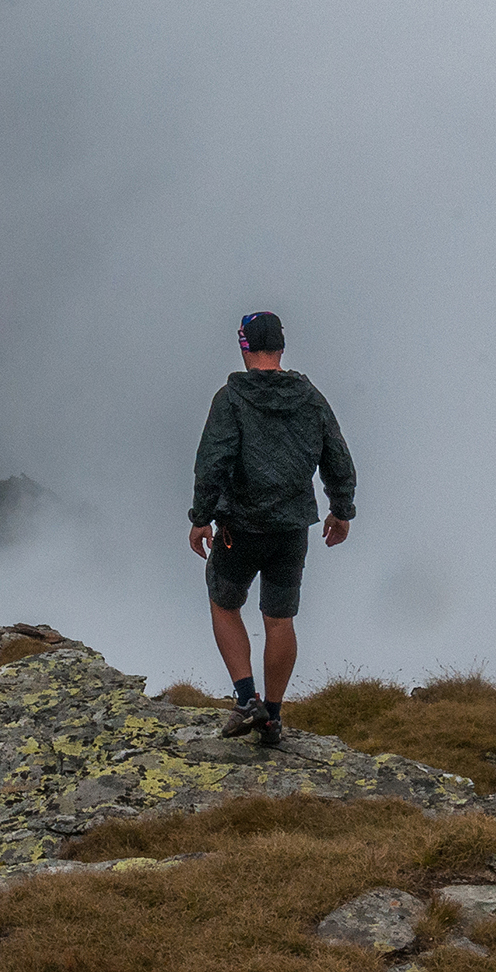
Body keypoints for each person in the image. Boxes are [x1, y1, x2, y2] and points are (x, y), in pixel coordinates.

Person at [188, 310, 356, 747]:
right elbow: (336, 455)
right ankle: (274, 717)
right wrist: (342, 510)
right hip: (291, 528)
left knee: (224, 604)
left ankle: (247, 700)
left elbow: (212, 463)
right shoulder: (310, 396)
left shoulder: (230, 398)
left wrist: (200, 517)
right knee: (279, 619)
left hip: (239, 527)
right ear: (282, 346)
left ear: (244, 346)